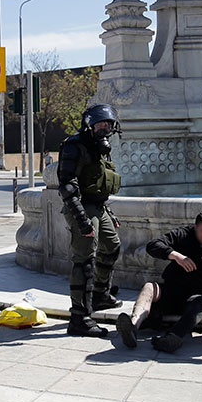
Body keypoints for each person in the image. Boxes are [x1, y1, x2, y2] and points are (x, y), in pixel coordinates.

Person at [116, 209, 202, 353]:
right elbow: (153, 245)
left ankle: (173, 338)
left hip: (193, 300)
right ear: (195, 227)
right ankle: (132, 327)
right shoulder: (183, 234)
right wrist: (175, 256)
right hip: (170, 292)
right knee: (149, 287)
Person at [58, 104, 124, 338]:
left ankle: (100, 295)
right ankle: (79, 317)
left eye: (108, 125)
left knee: (112, 246)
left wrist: (108, 212)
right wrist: (82, 219)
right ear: (89, 125)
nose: (104, 128)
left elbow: (98, 182)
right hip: (81, 207)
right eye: (100, 124)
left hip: (98, 206)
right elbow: (67, 185)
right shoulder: (75, 146)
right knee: (84, 260)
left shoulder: (100, 149)